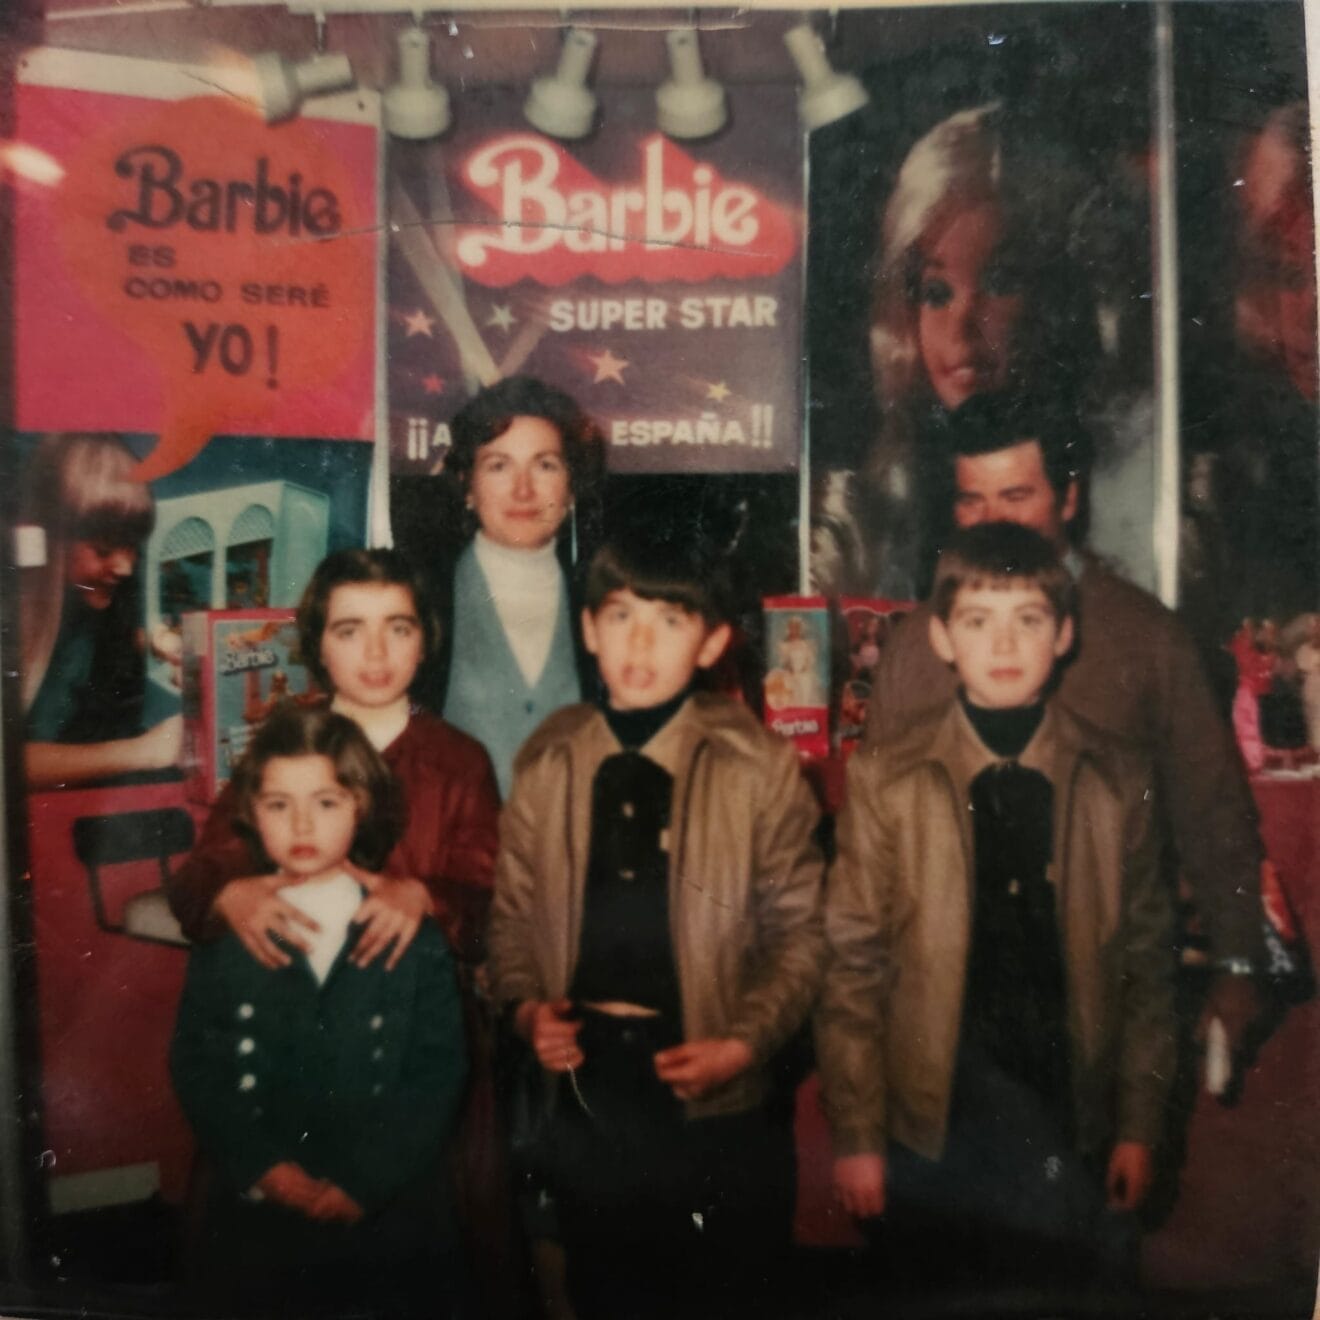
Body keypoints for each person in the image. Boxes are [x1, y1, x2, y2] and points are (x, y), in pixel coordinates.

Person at [818, 522, 1175, 1297]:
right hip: (931, 1125)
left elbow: (1148, 966)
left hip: (1069, 1122)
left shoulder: (1116, 778)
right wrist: (856, 1135)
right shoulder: (887, 778)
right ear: (942, 638)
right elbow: (851, 966)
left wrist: (1139, 1126)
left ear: (1065, 634)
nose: (1004, 644)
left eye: (1030, 620)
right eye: (979, 621)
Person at [486, 513, 826, 1319]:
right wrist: (530, 1007)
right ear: (588, 631)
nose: (639, 647)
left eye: (669, 621)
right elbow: (512, 917)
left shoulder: (760, 768)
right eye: (620, 618)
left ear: (710, 644)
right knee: (608, 1289)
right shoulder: (550, 756)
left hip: (714, 1088)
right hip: (590, 1087)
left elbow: (803, 936)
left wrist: (744, 1042)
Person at [864, 393, 1267, 1053]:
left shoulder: (1147, 638)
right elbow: (874, 847)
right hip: (946, 1005)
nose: (993, 520)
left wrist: (1239, 964)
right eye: (972, 501)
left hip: (1101, 1001)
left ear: (1070, 499)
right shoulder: (916, 644)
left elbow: (1212, 813)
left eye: (1016, 495)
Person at [170, 704, 467, 1316]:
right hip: (261, 1218)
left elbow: (438, 1072)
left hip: (389, 1214)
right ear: (252, 812)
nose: (302, 822)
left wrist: (368, 1181)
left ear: (361, 806)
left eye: (326, 802)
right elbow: (198, 1063)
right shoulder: (231, 930)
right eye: (279, 804)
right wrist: (263, 1167)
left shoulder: (410, 932)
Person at [811, 102, 1100, 600]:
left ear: (1051, 298)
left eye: (999, 282)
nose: (962, 325)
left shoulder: (1111, 487)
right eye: (937, 293)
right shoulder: (867, 511)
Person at [166, 547, 499, 974]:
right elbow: (201, 874)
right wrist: (228, 894)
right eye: (349, 631)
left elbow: (491, 906)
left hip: (415, 1002)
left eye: (398, 629)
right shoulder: (282, 744)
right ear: (318, 647)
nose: (376, 653)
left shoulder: (461, 762)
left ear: (423, 642)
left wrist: (425, 897)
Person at [419, 375, 605, 799]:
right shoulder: (424, 599)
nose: (523, 490)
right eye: (499, 465)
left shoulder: (603, 601)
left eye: (545, 465)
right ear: (467, 485)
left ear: (572, 487)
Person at [19, 432, 182, 788]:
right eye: (104, 550)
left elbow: (132, 629)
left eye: (133, 548)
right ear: (52, 539)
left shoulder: (99, 590)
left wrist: (164, 643)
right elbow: (12, 761)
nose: (124, 567)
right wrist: (147, 751)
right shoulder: (16, 618)